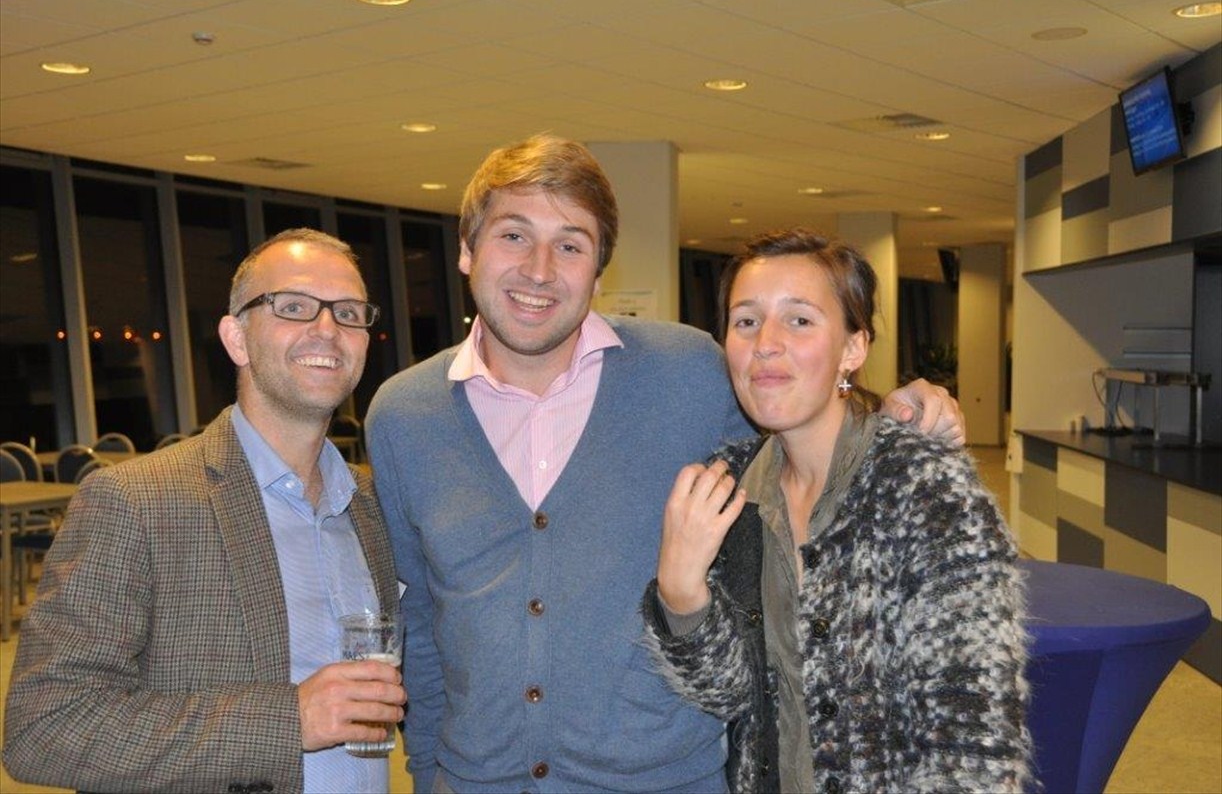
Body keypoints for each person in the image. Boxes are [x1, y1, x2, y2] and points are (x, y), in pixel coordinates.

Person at [365, 135, 964, 793]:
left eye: (570, 245)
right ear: (466, 249)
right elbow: (421, 624)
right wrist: (429, 772)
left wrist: (892, 413)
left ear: (599, 272)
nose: (539, 269)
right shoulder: (403, 416)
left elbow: (798, 431)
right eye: (513, 236)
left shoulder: (688, 373)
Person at [4, 229, 407, 794]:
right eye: (293, 307)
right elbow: (44, 728)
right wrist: (289, 720)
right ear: (236, 338)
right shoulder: (135, 502)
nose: (327, 328)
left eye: (348, 312)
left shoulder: (371, 504)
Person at [643, 229, 1032, 794]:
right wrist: (681, 592)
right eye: (746, 321)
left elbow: (974, 746)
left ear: (853, 348)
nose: (765, 343)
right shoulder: (729, 491)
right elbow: (731, 697)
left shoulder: (923, 489)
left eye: (799, 320)